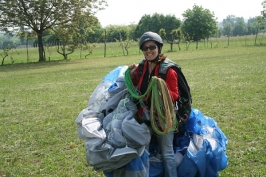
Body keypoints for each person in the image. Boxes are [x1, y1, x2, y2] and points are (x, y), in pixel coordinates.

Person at [129, 31, 179, 177]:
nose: (149, 51)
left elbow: (175, 95)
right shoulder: (142, 67)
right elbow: (137, 87)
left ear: (159, 48)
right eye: (145, 48)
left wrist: (159, 90)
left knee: (167, 153)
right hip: (145, 116)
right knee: (143, 149)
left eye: (152, 47)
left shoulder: (168, 70)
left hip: (163, 117)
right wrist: (132, 73)